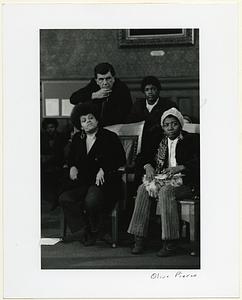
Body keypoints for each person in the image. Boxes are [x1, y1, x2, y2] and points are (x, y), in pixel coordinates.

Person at [127, 108, 200, 257]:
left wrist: (182, 167)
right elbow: (142, 156)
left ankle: (170, 242)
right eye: (166, 125)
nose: (170, 127)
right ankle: (139, 238)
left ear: (180, 124)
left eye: (174, 124)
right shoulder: (157, 140)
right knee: (142, 188)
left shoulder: (192, 139)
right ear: (163, 127)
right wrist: (147, 165)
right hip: (162, 179)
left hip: (184, 182)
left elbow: (201, 161)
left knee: (166, 191)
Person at [59, 103, 126, 246]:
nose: (88, 121)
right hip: (81, 181)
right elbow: (70, 158)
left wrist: (104, 169)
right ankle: (86, 229)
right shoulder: (78, 138)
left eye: (91, 118)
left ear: (97, 120)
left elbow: (121, 159)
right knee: (65, 198)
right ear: (80, 125)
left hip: (102, 182)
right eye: (84, 120)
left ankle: (95, 229)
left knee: (92, 200)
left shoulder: (109, 137)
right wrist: (72, 167)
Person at [126, 76, 177, 150]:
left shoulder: (168, 105)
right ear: (144, 91)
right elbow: (130, 122)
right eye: (147, 90)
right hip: (141, 143)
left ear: (158, 90)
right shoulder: (138, 105)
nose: (150, 92)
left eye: (153, 89)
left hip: (161, 143)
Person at [41, 118, 67, 210]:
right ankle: (51, 201)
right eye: (48, 128)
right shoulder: (41, 137)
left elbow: (64, 152)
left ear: (55, 127)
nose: (50, 129)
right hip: (46, 164)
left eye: (52, 127)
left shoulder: (61, 136)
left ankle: (57, 200)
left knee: (60, 179)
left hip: (59, 163)